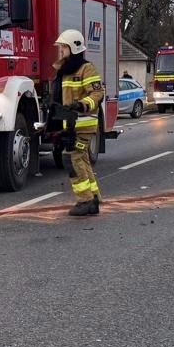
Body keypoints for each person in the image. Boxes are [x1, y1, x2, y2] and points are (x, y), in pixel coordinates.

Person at [51, 29, 104, 217]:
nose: (61, 51)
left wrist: (82, 105)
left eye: (63, 47)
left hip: (85, 124)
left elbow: (98, 94)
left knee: (71, 157)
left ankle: (85, 200)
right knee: (81, 158)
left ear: (73, 47)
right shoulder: (64, 71)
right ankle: (93, 198)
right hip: (71, 124)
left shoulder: (86, 68)